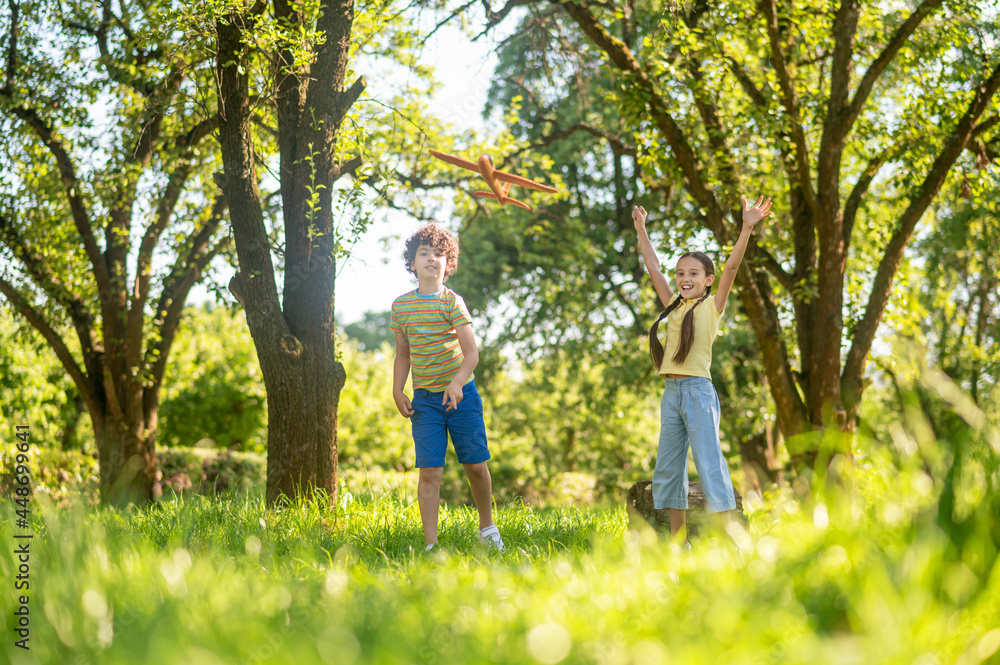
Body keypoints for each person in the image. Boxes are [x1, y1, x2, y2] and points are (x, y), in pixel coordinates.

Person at [632, 196, 773, 543]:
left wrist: (746, 226)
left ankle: (734, 540)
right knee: (668, 469)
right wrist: (641, 229)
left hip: (698, 392)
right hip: (672, 394)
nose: (684, 278)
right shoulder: (672, 305)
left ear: (707, 280)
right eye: (680, 273)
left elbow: (731, 268)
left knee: (710, 464)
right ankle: (678, 545)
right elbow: (653, 267)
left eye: (693, 273)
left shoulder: (712, 307)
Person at [390, 223, 504, 552]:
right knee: (430, 473)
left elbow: (472, 354)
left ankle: (488, 529)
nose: (431, 258)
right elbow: (403, 354)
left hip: (462, 396)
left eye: (438, 254)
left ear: (448, 264)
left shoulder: (452, 302)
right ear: (412, 264)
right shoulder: (401, 307)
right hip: (425, 401)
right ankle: (431, 545)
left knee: (475, 466)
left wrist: (456, 383)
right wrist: (398, 390)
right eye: (423, 254)